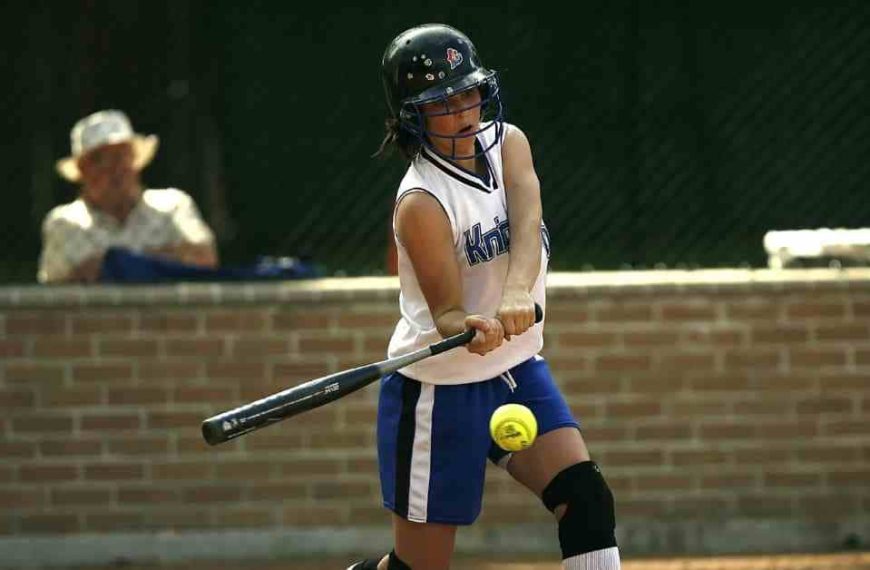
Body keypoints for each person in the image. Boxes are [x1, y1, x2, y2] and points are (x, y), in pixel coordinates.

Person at [348, 24, 620, 570]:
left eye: (469, 91)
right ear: (412, 115)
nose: (465, 109)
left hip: (515, 368)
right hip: (438, 391)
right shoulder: (421, 201)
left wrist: (517, 290)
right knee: (419, 567)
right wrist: (467, 326)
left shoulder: (508, 143)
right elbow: (447, 313)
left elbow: (527, 218)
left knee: (586, 499)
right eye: (443, 101)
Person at [38, 109, 218, 283]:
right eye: (101, 160)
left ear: (135, 160)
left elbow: (204, 258)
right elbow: (51, 298)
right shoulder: (62, 224)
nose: (115, 169)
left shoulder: (173, 205)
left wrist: (119, 265)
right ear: (82, 170)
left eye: (122, 156)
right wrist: (166, 261)